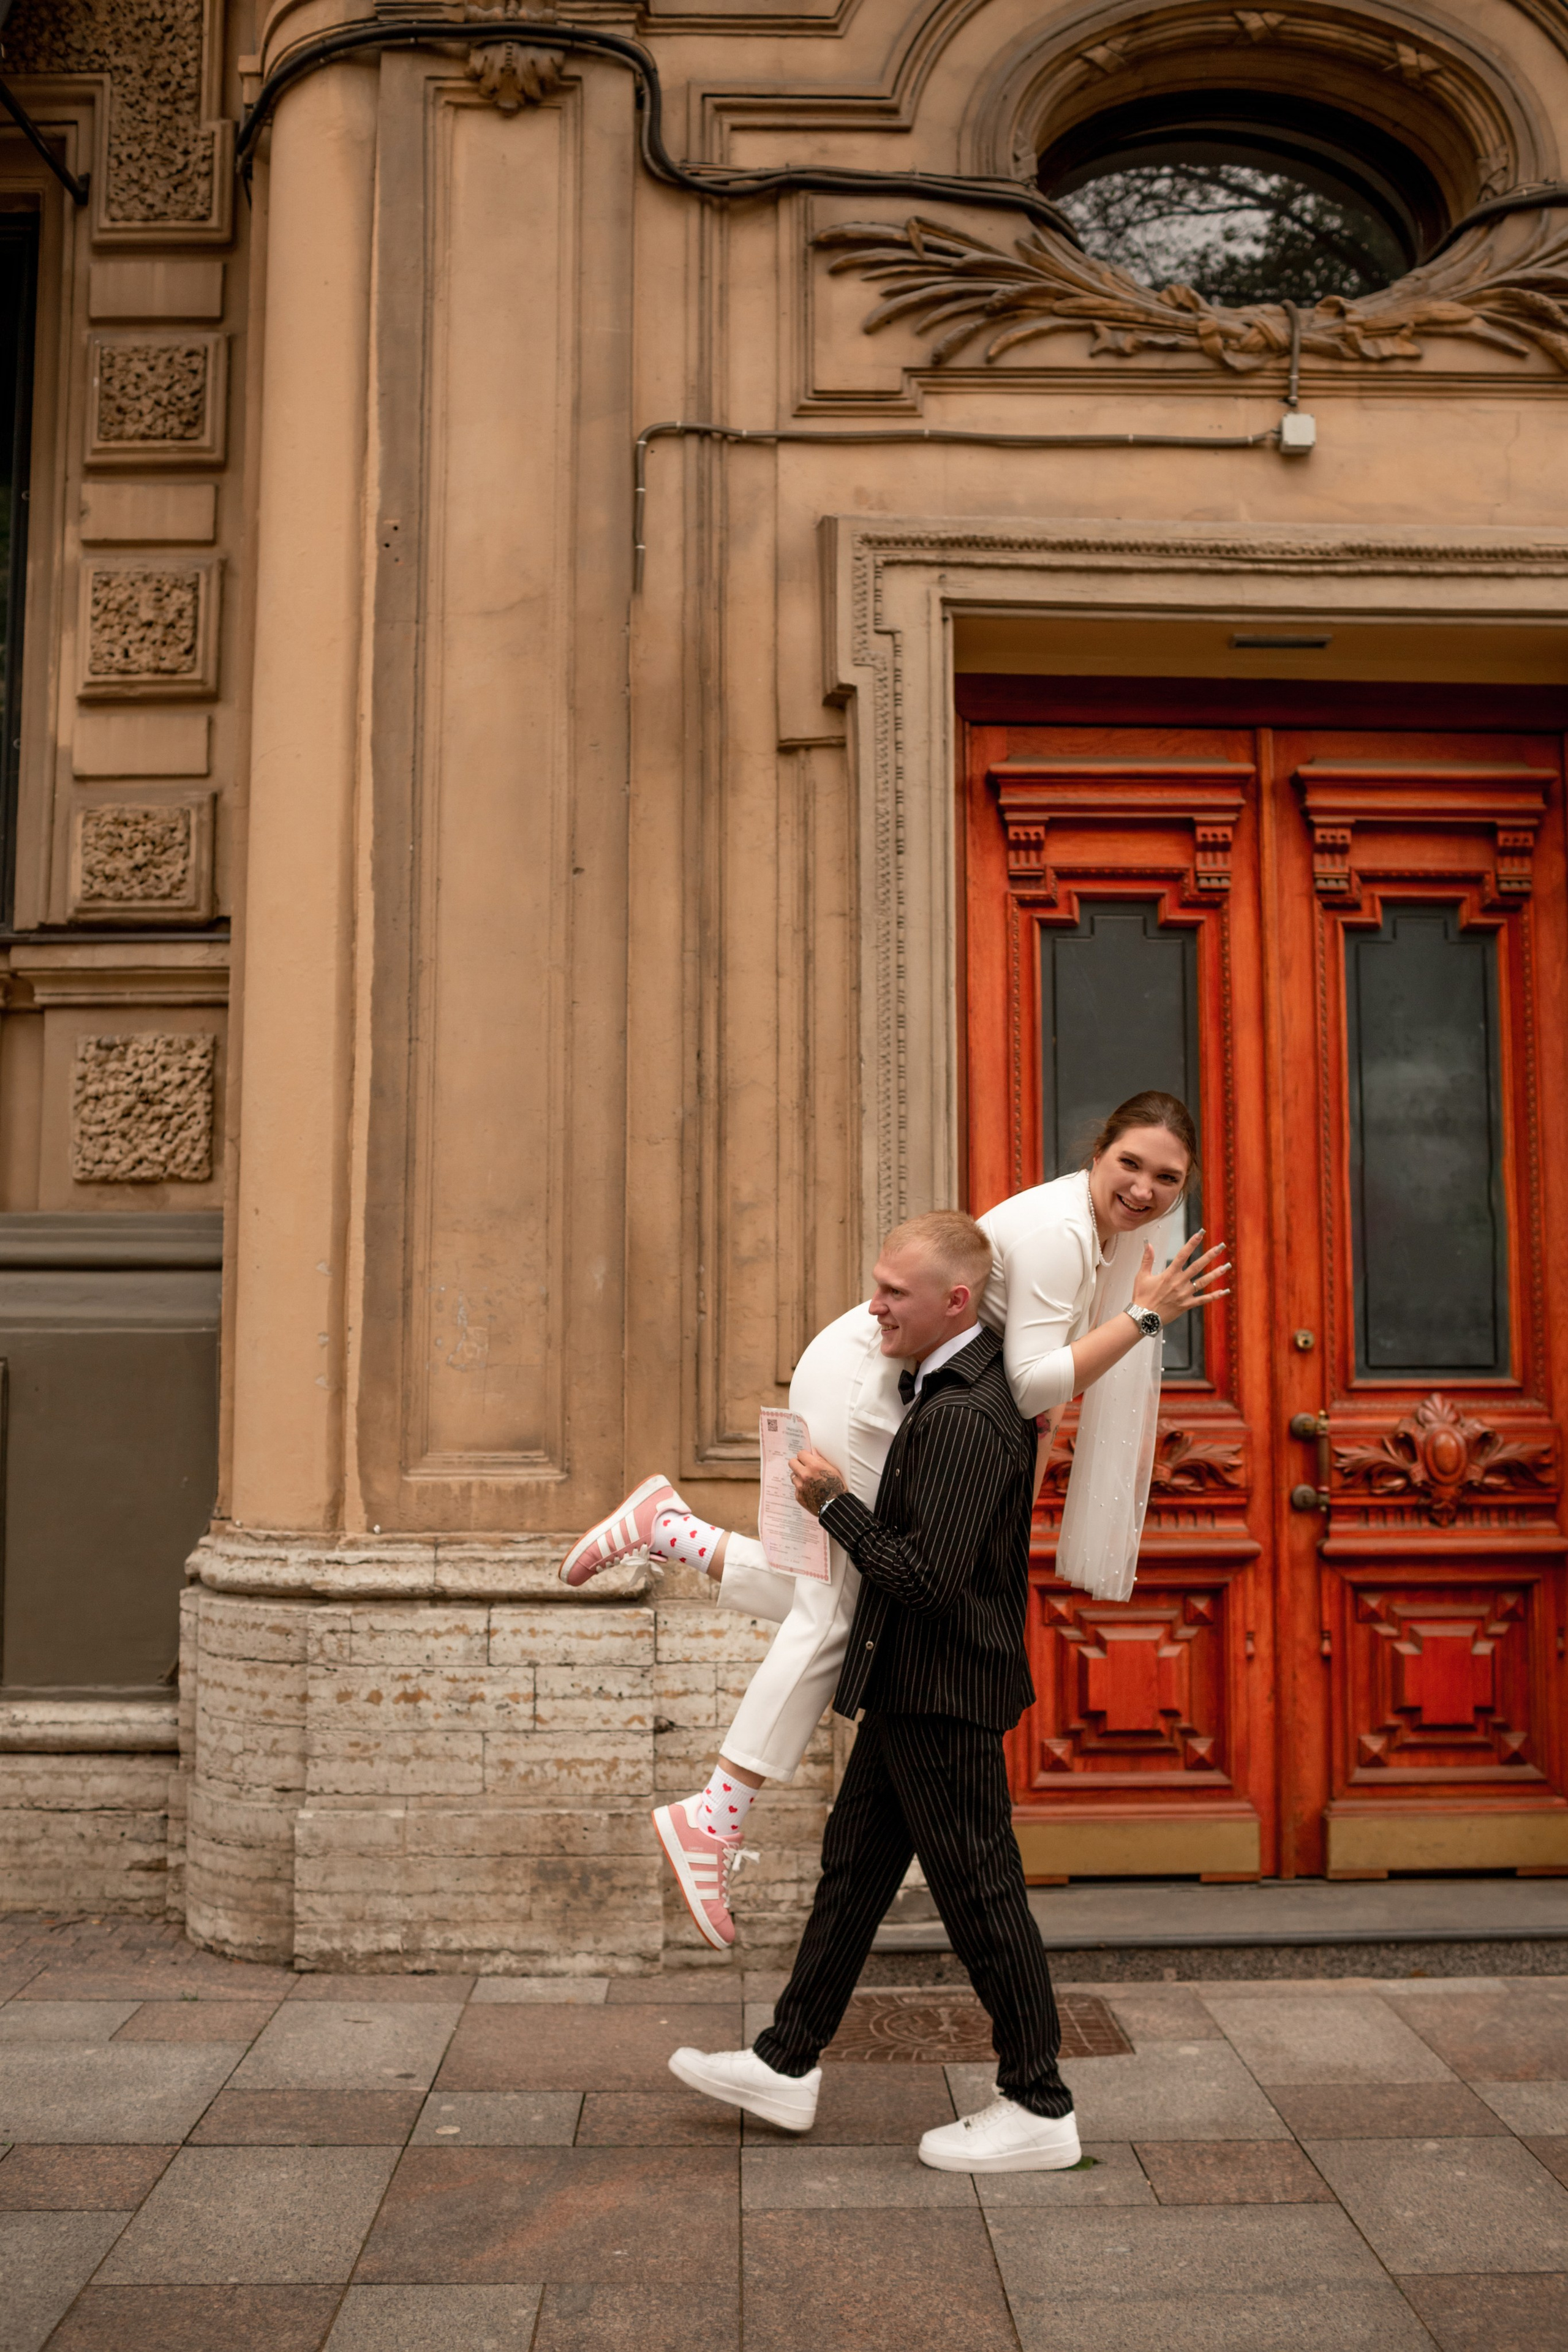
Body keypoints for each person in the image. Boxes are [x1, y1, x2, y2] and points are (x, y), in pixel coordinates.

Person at [559, 1091, 1227, 1950]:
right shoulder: (1065, 1234)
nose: (1143, 1188)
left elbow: (1036, 1395)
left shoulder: (1102, 1239)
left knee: (835, 1592)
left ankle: (669, 1530)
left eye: (1166, 1179)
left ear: (1183, 1188)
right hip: (869, 1381)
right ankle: (712, 1819)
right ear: (1097, 1153)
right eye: (1130, 1164)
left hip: (891, 1383)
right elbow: (1032, 1385)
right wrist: (1144, 1318)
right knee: (838, 1612)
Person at [669, 1209, 1087, 2168]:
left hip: (943, 1693)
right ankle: (786, 2063)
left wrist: (832, 1503)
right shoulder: (946, 1389)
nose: (874, 1307)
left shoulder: (964, 1417)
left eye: (895, 1294)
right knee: (854, 1873)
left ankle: (1040, 2104)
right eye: (877, 1285)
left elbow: (922, 1580)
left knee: (981, 1896)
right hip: (913, 1686)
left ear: (956, 1302)